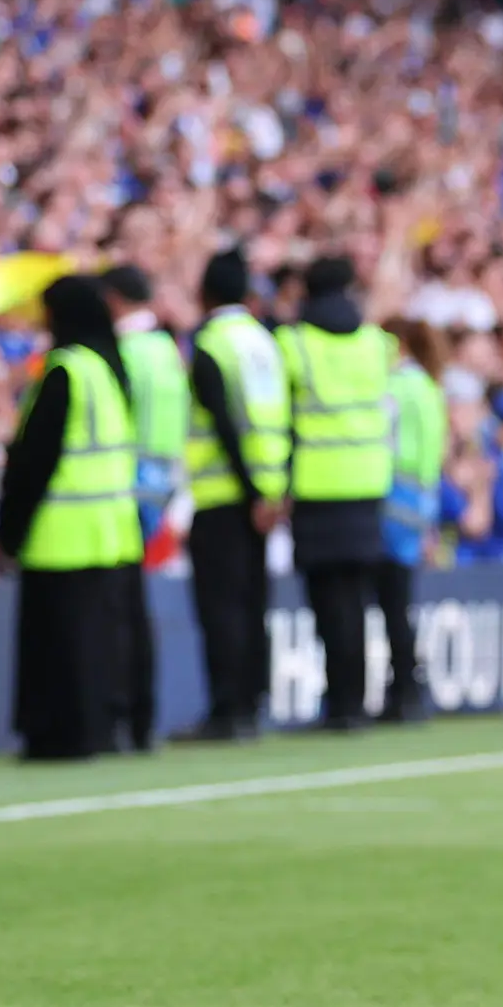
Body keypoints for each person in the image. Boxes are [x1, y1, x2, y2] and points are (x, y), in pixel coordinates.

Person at [0, 272, 142, 759]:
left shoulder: (65, 370)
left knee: (58, 649)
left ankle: (60, 736)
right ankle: (107, 728)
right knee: (101, 646)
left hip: (61, 532)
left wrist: (7, 535)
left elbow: (33, 462)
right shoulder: (109, 367)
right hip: (112, 529)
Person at [277, 251, 405, 730]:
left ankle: (343, 700)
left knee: (328, 603)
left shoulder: (294, 343)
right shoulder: (375, 342)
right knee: (357, 599)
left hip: (316, 486)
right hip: (367, 483)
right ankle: (357, 696)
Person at [178, 249, 283, 742]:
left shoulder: (212, 344)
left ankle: (228, 708)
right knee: (252, 602)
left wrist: (250, 489)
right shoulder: (264, 342)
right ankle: (252, 701)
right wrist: (272, 491)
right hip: (266, 491)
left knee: (220, 608)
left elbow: (224, 423)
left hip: (224, 493)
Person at [103, 261, 192, 752]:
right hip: (160, 482)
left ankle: (120, 713)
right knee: (136, 606)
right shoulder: (165, 350)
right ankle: (142, 715)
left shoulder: (127, 353)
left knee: (118, 607)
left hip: (124, 484)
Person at [381, 313, 450, 711]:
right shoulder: (427, 386)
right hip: (420, 500)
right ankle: (408, 686)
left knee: (391, 602)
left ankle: (403, 689)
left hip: (393, 500)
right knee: (400, 600)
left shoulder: (396, 388)